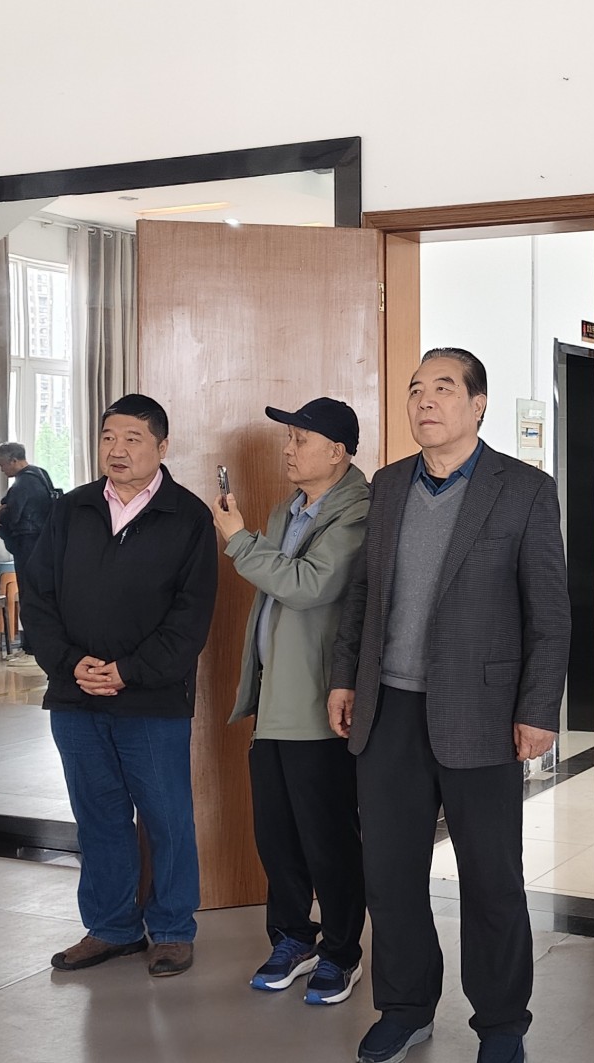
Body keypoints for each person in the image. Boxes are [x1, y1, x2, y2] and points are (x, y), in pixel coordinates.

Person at [327, 348, 569, 1063]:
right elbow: (363, 593)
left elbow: (549, 611)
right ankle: (405, 1006)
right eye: (415, 389)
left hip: (483, 714)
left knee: (491, 877)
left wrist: (538, 709)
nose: (425, 401)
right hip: (388, 710)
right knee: (390, 873)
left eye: (442, 388)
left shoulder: (524, 489)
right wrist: (345, 677)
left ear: (478, 404)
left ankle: (501, 1022)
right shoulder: (389, 483)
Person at [19, 394, 219, 979]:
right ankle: (111, 927)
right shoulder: (72, 508)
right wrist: (69, 664)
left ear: (162, 446)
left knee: (166, 817)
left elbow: (190, 618)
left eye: (133, 438)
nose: (117, 449)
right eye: (109, 437)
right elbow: (38, 597)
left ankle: (173, 930)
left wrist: (129, 670)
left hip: (153, 701)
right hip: (75, 695)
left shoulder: (187, 517)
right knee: (98, 816)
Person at [211, 397, 372, 1006]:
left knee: (328, 839)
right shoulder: (288, 510)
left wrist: (238, 539)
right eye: (289, 438)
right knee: (277, 837)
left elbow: (308, 586)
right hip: (273, 699)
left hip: (319, 704)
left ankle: (342, 951)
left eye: (301, 439)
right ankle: (292, 939)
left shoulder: (358, 512)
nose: (288, 449)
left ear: (337, 452)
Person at [0, 441, 57, 564]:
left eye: (2, 464)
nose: (2, 470)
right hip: (45, 538)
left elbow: (13, 516)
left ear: (14, 461)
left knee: (27, 576)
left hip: (26, 541)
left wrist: (0, 516)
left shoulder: (22, 482)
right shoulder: (41, 473)